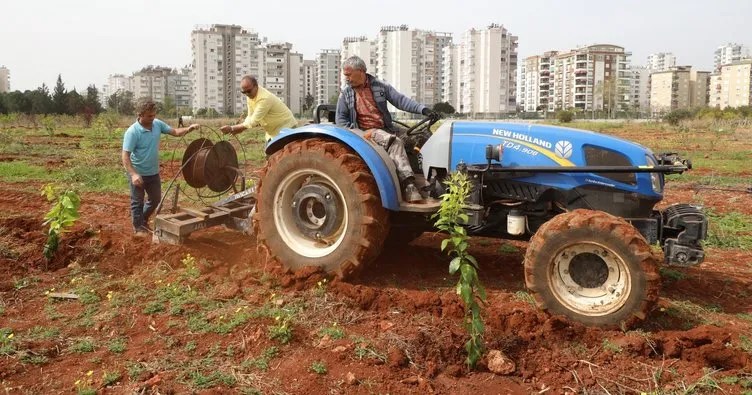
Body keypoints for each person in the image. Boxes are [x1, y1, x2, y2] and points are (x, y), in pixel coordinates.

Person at [335, 55, 439, 203]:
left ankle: (433, 179)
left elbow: (401, 101)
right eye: (345, 75)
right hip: (366, 132)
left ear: (361, 71)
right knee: (395, 142)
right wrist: (360, 134)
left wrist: (424, 110)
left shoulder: (380, 86)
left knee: (423, 136)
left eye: (349, 74)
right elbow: (341, 122)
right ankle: (408, 185)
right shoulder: (346, 95)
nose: (346, 78)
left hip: (386, 127)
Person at [122, 97, 199, 236]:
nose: (153, 118)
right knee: (137, 201)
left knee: (156, 199)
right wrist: (133, 174)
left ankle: (143, 219)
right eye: (149, 116)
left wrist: (189, 129)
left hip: (153, 172)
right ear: (139, 115)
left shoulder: (157, 124)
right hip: (138, 172)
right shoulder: (132, 132)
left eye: (154, 114)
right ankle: (138, 228)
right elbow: (125, 155)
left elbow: (174, 132)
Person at [220, 75, 298, 142]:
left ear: (256, 86)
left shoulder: (265, 98)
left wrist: (232, 128)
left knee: (282, 157)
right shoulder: (250, 96)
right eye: (244, 92)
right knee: (270, 155)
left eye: (249, 91)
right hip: (272, 132)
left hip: (285, 128)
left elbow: (254, 121)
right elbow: (250, 116)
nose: (247, 94)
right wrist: (240, 129)